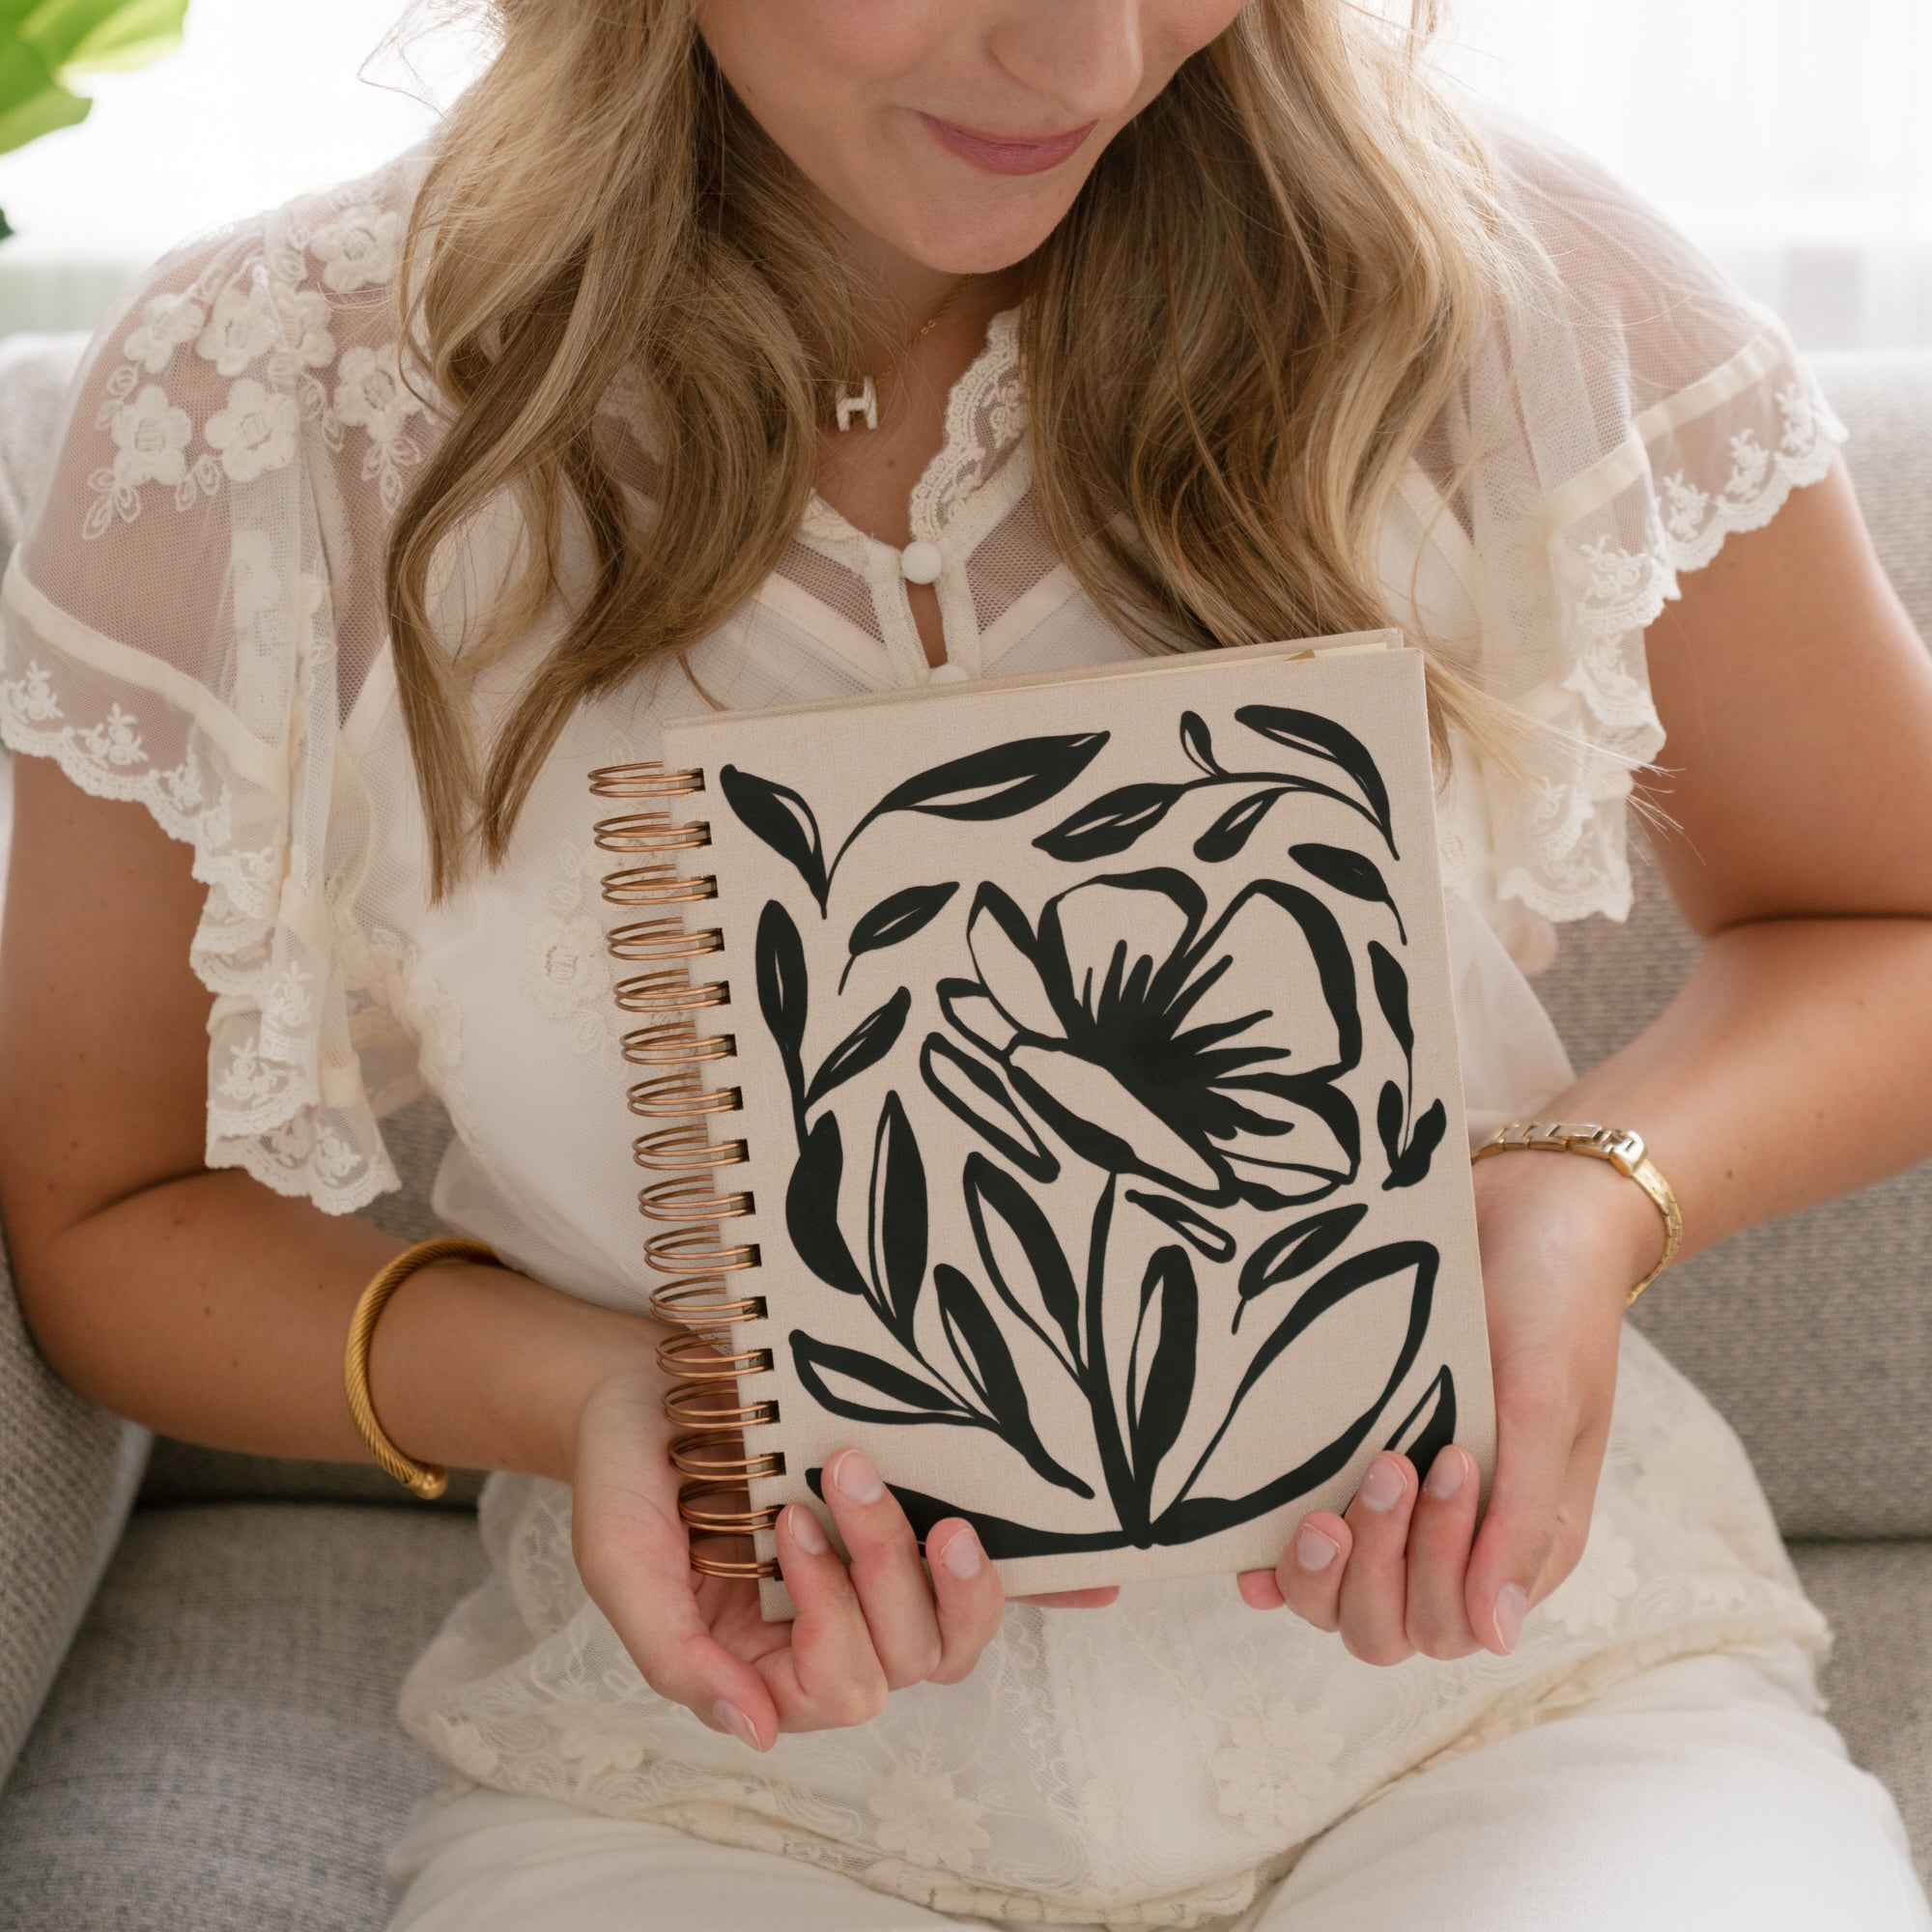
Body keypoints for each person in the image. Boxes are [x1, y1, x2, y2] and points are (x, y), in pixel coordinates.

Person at [2, 2, 1930, 1927]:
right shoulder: (255, 413)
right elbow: (110, 1209)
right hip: (725, 1789)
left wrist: (1587, 1200)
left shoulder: (1493, 278)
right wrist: (590, 1395)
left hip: (1514, 1711)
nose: (1092, 64)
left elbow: (1891, 916)